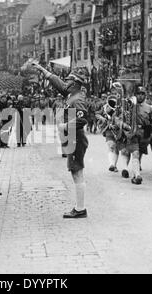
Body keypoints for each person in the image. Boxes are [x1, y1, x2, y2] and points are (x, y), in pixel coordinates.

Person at [33, 63, 89, 219]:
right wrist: (43, 70)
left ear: (75, 83)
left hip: (76, 138)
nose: (66, 83)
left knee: (77, 171)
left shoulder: (77, 99)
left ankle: (80, 208)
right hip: (73, 138)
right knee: (75, 171)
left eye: (69, 81)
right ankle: (79, 207)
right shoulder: (72, 94)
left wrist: (65, 125)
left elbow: (82, 118)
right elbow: (58, 83)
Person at [123, 85, 152, 185]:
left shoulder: (149, 108)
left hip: (143, 133)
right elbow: (123, 118)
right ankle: (137, 175)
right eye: (138, 94)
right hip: (133, 132)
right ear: (135, 95)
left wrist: (150, 130)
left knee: (139, 153)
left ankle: (135, 171)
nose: (140, 96)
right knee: (135, 153)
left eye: (142, 94)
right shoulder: (130, 105)